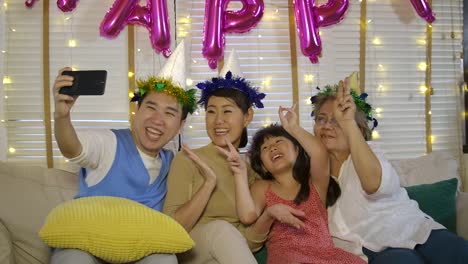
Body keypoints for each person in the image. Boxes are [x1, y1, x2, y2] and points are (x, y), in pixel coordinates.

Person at [50, 41, 196, 264]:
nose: (157, 120)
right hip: (86, 247)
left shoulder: (173, 164)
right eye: (151, 107)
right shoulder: (110, 142)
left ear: (180, 125)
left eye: (169, 113)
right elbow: (73, 148)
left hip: (139, 252)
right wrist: (61, 116)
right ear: (137, 110)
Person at [311, 77, 468, 264]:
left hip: (417, 232)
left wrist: (348, 122)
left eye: (337, 120)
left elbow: (372, 184)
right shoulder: (313, 172)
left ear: (358, 130)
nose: (327, 126)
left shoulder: (371, 154)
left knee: (458, 253)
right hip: (372, 251)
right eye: (322, 119)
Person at [163, 50, 267, 264]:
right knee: (222, 230)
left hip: (228, 253)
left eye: (227, 111)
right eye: (211, 111)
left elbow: (250, 239)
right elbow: (174, 229)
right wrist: (209, 183)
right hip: (191, 248)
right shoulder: (188, 160)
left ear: (247, 116)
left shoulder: (254, 166)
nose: (218, 120)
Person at [244, 105, 365, 264]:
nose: (272, 147)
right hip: (287, 258)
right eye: (265, 148)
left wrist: (293, 127)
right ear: (263, 165)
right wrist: (269, 214)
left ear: (298, 149)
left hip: (326, 257)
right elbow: (250, 234)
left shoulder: (314, 183)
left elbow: (319, 153)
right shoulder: (261, 187)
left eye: (278, 141)